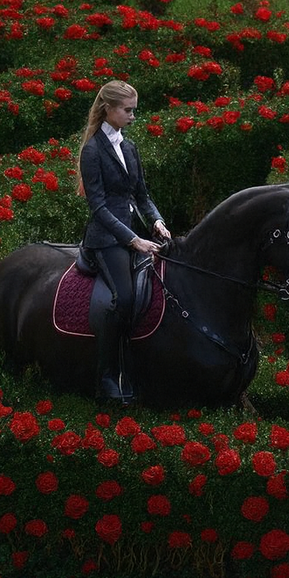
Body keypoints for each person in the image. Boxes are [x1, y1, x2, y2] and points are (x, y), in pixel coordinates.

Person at [78, 80, 171, 404]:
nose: (133, 116)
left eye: (134, 110)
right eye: (128, 110)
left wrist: (157, 221)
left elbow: (142, 196)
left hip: (135, 232)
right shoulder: (92, 151)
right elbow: (98, 207)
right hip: (106, 239)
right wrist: (133, 240)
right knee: (126, 298)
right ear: (109, 109)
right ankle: (107, 377)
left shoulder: (129, 148)